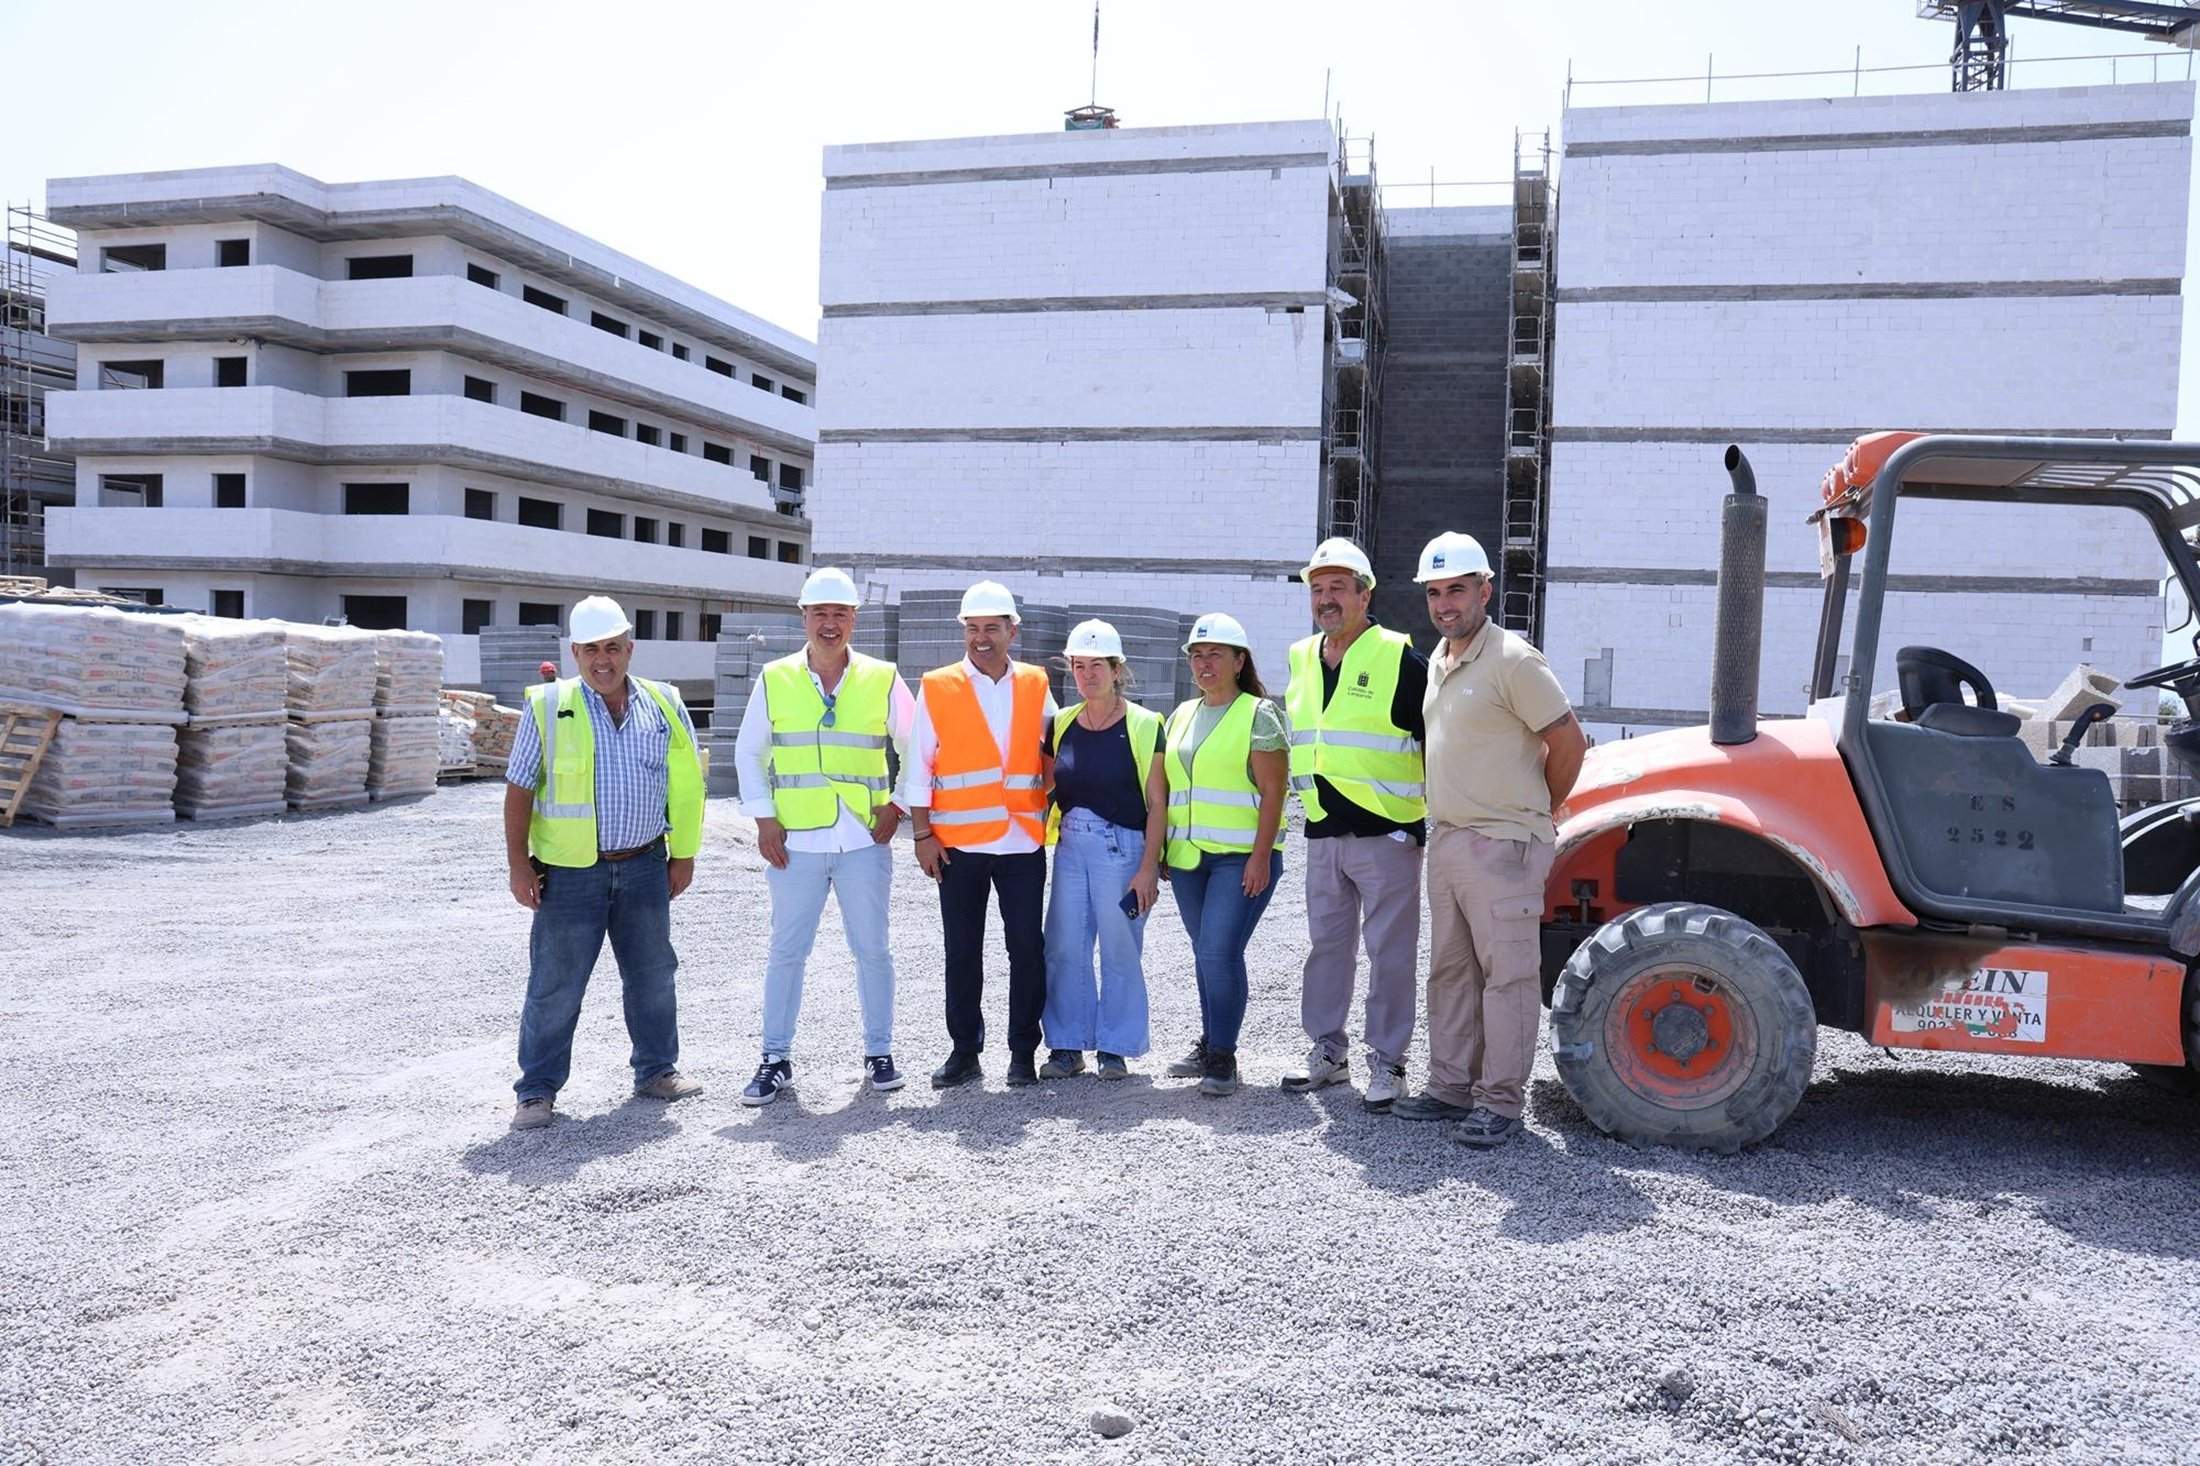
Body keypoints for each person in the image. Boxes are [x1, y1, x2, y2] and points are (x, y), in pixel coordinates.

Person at [1388, 532, 1587, 1148]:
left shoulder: (1513, 660)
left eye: (1457, 590)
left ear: (1485, 591)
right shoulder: (1441, 660)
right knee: (1451, 974)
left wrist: (1536, 809)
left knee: (1508, 978)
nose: (1445, 604)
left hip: (1504, 844)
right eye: (1435, 592)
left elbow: (1569, 742)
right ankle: (1451, 1087)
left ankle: (1500, 1101)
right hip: (1449, 839)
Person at [503, 595, 705, 1130]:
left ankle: (656, 1070)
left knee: (653, 975)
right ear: (574, 653)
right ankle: (537, 1090)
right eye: (591, 649)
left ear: (629, 649)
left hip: (645, 864)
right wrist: (518, 865)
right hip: (571, 873)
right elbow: (520, 788)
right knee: (556, 984)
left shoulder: (664, 703)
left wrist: (684, 854)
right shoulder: (549, 706)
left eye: (612, 647)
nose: (603, 660)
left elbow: (687, 784)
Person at [733, 567, 917, 1105]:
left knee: (873, 950)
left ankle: (879, 1052)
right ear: (804, 618)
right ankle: (775, 1058)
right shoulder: (775, 678)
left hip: (862, 840)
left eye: (840, 613)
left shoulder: (883, 677)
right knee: (786, 952)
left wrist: (899, 804)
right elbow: (749, 751)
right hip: (797, 843)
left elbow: (916, 746)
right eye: (820, 613)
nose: (829, 623)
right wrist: (764, 818)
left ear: (854, 619)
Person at [1279, 538, 1429, 1112]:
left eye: (1338, 588)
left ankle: (1389, 1061)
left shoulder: (1399, 659)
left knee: (1390, 953)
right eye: (1318, 589)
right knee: (1327, 948)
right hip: (1323, 831)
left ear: (1365, 595)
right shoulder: (1301, 658)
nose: (1326, 599)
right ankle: (1328, 1051)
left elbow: (1437, 744)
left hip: (1386, 832)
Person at [901, 580, 1057, 1089]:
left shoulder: (1035, 683)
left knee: (1026, 950)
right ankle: (964, 1051)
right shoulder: (938, 685)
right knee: (962, 951)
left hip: (1021, 842)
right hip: (958, 846)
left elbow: (1055, 752)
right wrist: (922, 834)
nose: (981, 638)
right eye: (972, 628)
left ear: (1013, 631)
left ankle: (1022, 1053)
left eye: (992, 627)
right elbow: (919, 764)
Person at [1155, 613, 1288, 1098]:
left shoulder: (1259, 714)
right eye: (1196, 655)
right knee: (1205, 953)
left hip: (1241, 857)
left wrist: (1261, 857)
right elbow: (1171, 789)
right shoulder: (1181, 715)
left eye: (1215, 654)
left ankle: (1223, 1057)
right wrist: (1163, 849)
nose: (1204, 663)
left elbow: (1274, 793)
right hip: (1189, 860)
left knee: (1218, 951)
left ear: (1238, 661)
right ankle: (1210, 1040)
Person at [1039, 620, 1166, 1081]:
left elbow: (1158, 803)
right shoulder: (1062, 723)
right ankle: (1067, 1045)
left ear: (1117, 669)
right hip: (1071, 845)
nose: (1087, 674)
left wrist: (1148, 868)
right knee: (1064, 945)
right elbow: (1046, 788)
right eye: (1079, 666)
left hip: (1123, 846)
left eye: (1097, 665)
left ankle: (1116, 1047)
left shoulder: (1145, 724)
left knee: (1120, 947)